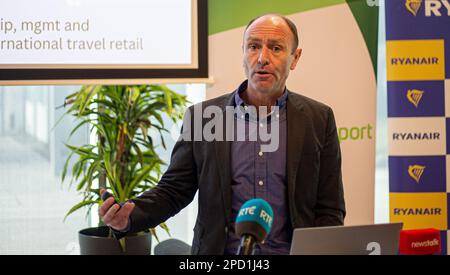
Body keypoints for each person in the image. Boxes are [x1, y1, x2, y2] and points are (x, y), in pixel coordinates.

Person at [99, 14, 345, 255]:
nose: (262, 58)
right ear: (243, 54)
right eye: (253, 47)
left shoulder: (318, 119)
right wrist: (131, 216)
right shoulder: (203, 117)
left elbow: (329, 209)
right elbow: (174, 190)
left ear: (295, 57)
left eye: (276, 48)